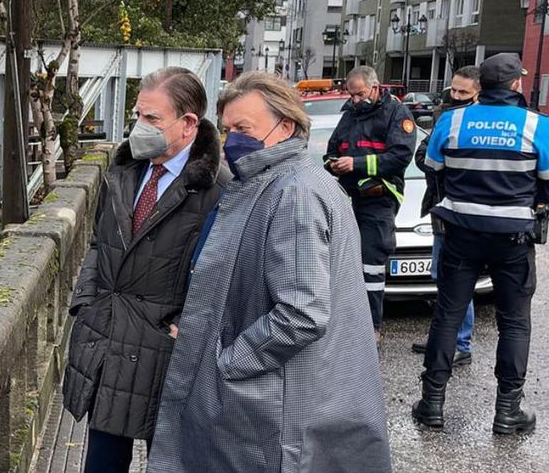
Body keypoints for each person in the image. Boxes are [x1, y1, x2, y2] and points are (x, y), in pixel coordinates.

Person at [148, 72, 391, 473]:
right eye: (226, 130)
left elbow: (301, 313)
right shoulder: (283, 180)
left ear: (286, 127)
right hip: (276, 400)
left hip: (271, 408)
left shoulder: (292, 192)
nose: (231, 142)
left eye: (244, 128)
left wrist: (226, 362)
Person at [61, 67, 228, 472]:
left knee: (168, 463)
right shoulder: (125, 170)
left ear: (188, 124)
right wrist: (87, 301)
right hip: (109, 338)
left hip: (167, 349)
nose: (139, 126)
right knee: (101, 462)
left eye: (152, 119)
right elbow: (100, 243)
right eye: (138, 115)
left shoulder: (217, 188)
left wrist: (187, 326)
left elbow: (221, 273)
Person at [415, 53, 542, 434]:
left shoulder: (451, 120)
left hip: (460, 233)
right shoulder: (536, 125)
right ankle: (508, 412)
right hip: (513, 238)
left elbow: (432, 169)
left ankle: (432, 404)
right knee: (515, 324)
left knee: (448, 315)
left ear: (481, 85)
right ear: (516, 84)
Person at [325, 66, 417, 341]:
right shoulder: (351, 114)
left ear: (375, 88)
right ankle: (345, 326)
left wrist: (357, 164)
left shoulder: (397, 114)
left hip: (379, 199)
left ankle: (371, 329)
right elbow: (333, 147)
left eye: (360, 94)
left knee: (371, 267)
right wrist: (333, 164)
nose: (354, 100)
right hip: (347, 198)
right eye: (351, 95)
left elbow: (400, 157)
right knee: (342, 264)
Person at [410, 66, 481, 363]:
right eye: (454, 90)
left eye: (463, 92)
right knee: (441, 276)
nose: (456, 96)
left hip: (466, 215)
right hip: (442, 208)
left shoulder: (478, 123)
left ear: (479, 92)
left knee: (458, 280)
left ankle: (460, 344)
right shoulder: (444, 116)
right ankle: (442, 337)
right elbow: (423, 157)